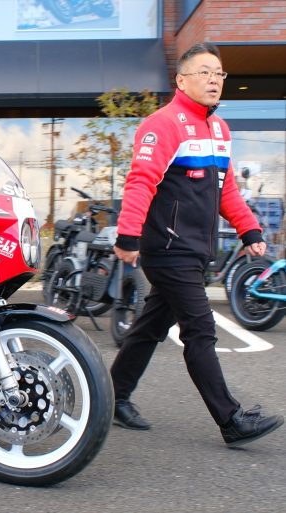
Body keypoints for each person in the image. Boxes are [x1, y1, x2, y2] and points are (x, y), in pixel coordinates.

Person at [109, 42, 283, 447]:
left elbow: (226, 191)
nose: (214, 80)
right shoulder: (162, 124)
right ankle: (231, 419)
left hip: (194, 251)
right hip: (169, 249)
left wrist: (250, 230)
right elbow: (141, 181)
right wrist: (128, 234)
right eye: (204, 72)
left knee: (150, 327)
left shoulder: (219, 130)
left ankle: (114, 396)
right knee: (201, 329)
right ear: (181, 80)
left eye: (219, 73)